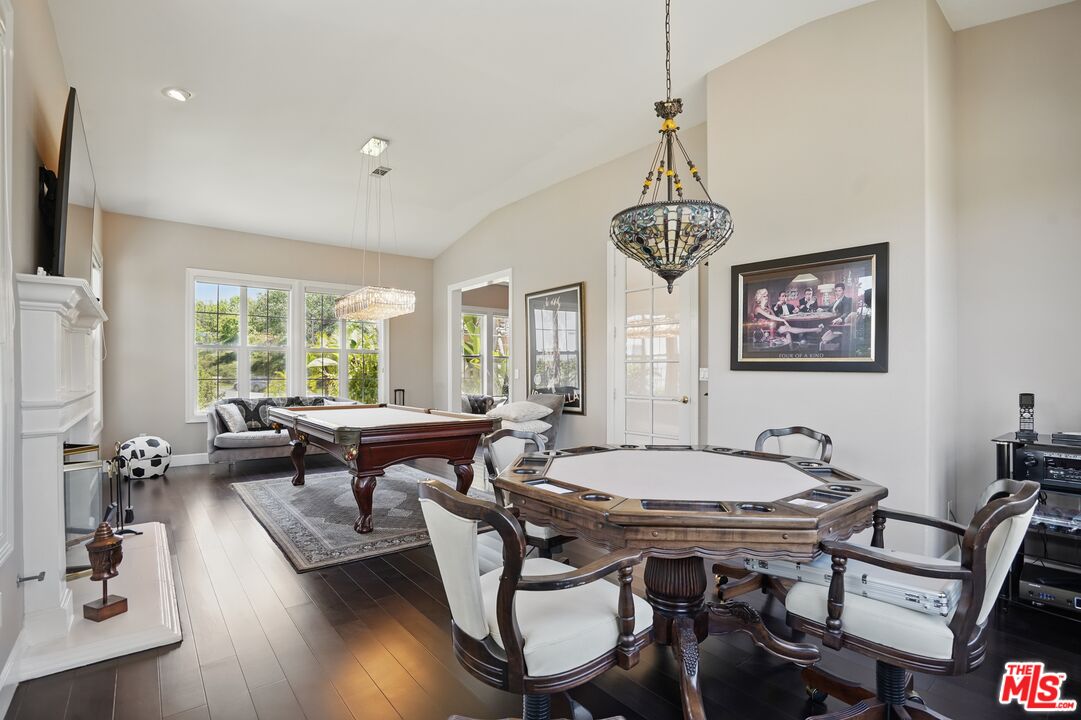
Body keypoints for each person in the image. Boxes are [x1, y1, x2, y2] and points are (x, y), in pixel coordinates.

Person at [748, 288, 822, 346]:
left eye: (767, 295)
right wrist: (783, 320)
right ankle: (815, 329)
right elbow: (770, 316)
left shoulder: (768, 308)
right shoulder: (757, 308)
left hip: (772, 327)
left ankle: (789, 351)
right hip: (763, 331)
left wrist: (780, 319)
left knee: (788, 333)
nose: (766, 297)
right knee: (788, 329)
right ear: (759, 297)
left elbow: (774, 316)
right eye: (764, 296)